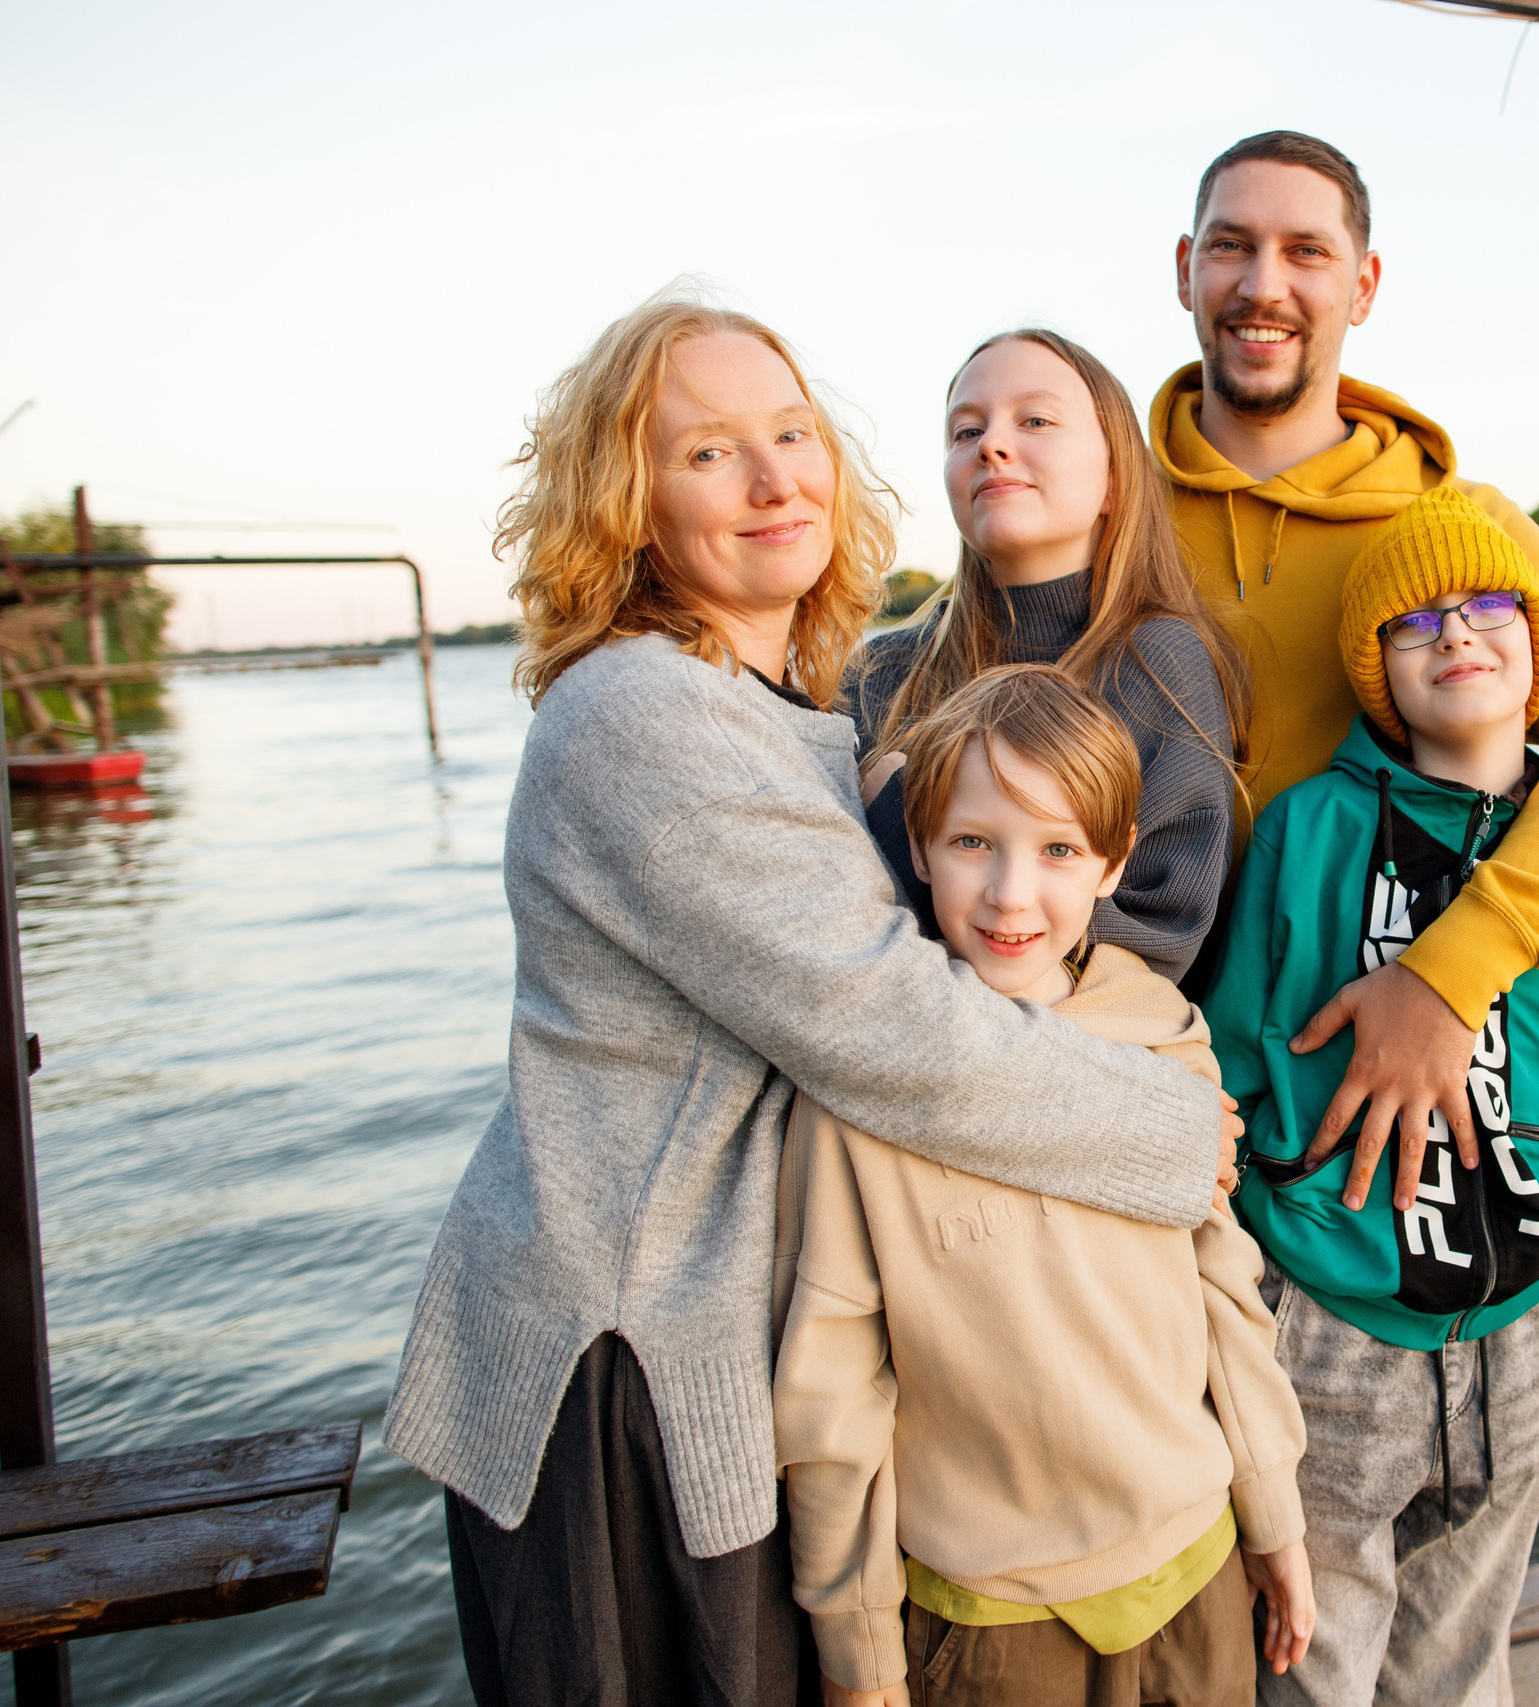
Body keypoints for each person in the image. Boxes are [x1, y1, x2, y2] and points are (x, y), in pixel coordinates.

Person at [385, 293, 1232, 1707]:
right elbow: (889, 1022)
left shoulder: (793, 707)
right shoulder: (644, 715)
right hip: (631, 1367)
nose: (775, 479)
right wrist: (1173, 1127)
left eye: (792, 433)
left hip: (720, 1340)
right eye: (708, 452)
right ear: (629, 503)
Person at [1205, 487, 1539, 1707]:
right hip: (1325, 1334)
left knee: (1463, 1674)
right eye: (1414, 621)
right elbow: (1218, 1065)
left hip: (1517, 1338)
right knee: (1305, 1671)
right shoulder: (1306, 830)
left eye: (1488, 606)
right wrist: (1247, 1270)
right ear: (1373, 668)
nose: (1456, 632)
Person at [1154, 131, 1539, 1206]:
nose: (1263, 285)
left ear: (1364, 286)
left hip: (1378, 1107)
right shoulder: (1103, 504)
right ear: (1185, 268)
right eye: (1232, 246)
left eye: (1306, 252)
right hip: (1152, 1091)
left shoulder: (1459, 534)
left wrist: (1452, 974)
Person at [775, 665, 1316, 1707]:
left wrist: (1273, 1516)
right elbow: (831, 1389)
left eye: (1059, 849)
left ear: (1115, 862)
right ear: (919, 848)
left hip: (1196, 1565)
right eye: (973, 842)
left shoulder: (1160, 1033)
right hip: (989, 1616)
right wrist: (857, 1651)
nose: (1011, 894)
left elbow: (1224, 1297)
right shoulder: (862, 1090)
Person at [853, 329, 1249, 981]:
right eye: (965, 431)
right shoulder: (882, 672)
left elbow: (1160, 937)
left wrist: (894, 822)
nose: (991, 444)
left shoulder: (1157, 665)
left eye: (1034, 420)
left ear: (1114, 479)